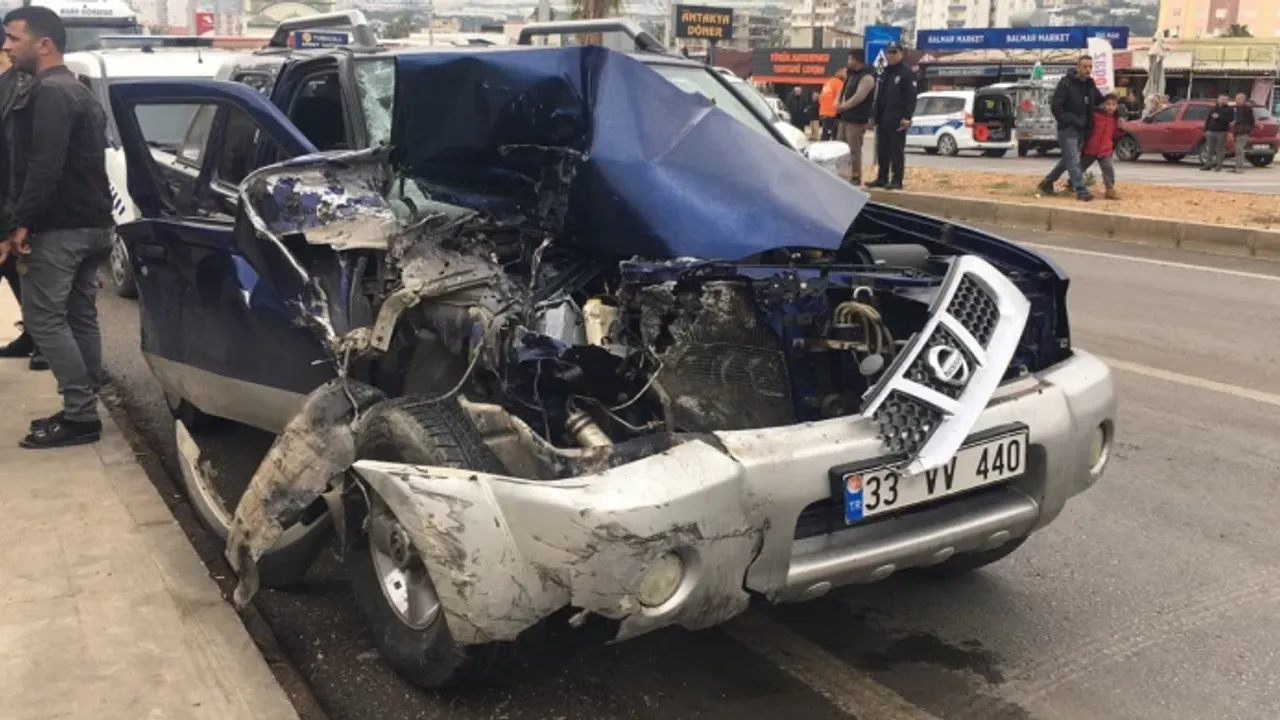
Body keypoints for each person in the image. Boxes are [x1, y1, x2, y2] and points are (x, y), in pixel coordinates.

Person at [1, 6, 114, 448]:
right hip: (92, 225)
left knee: (44, 320)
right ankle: (84, 405)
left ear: (44, 44)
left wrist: (19, 223)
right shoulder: (78, 90)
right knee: (79, 316)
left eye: (14, 38)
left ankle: (80, 414)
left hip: (59, 229)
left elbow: (42, 167)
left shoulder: (48, 93)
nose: (7, 47)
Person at [0, 45, 41, 370]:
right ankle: (34, 334)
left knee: (26, 268)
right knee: (13, 269)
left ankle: (40, 338)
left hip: (15, 194)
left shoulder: (23, 84)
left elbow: (21, 154)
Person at [1036, 55, 1104, 202]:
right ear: (1078, 67)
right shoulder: (1066, 83)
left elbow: (1100, 101)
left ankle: (1047, 183)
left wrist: (1115, 104)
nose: (1088, 70)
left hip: (1083, 129)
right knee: (1073, 159)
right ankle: (1080, 189)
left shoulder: (1090, 85)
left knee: (1068, 159)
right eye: (1085, 67)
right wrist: (1069, 121)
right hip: (1068, 129)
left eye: (1090, 67)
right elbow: (1056, 106)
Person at [868, 42, 916, 191]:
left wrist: (907, 116)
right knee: (882, 150)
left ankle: (897, 180)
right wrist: (874, 116)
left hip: (898, 119)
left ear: (901, 54)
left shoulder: (906, 73)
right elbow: (879, 97)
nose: (891, 55)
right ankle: (882, 178)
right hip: (883, 118)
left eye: (894, 52)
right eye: (889, 52)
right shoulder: (885, 73)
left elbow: (911, 97)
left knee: (896, 151)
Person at [836, 50, 876, 186]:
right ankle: (843, 173)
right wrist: (838, 102)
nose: (848, 62)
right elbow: (843, 92)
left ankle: (856, 175)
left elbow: (859, 97)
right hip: (844, 117)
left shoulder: (867, 77)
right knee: (841, 148)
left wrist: (844, 106)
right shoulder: (851, 75)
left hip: (857, 119)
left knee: (854, 149)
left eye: (850, 59)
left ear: (856, 60)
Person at [1076, 93, 1124, 200]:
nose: (1110, 107)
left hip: (1105, 150)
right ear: (1103, 104)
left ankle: (1110, 189)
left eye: (1113, 105)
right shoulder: (1095, 116)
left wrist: (1121, 130)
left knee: (1108, 170)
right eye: (1108, 104)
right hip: (1090, 148)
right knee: (1081, 167)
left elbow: (1115, 134)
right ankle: (1073, 184)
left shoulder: (1116, 120)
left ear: (1116, 106)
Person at [1201, 94, 1233, 172]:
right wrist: (1206, 130)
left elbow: (1230, 119)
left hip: (1221, 132)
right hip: (1211, 131)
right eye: (1221, 99)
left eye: (1224, 99)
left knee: (1220, 150)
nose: (1223, 101)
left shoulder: (1229, 109)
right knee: (1210, 149)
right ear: (1218, 99)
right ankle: (1208, 165)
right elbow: (1208, 119)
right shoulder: (1213, 108)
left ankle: (1218, 166)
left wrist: (1219, 117)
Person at [1230, 92, 1255, 174]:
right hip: (1236, 131)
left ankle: (1240, 168)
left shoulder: (1247, 109)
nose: (1236, 100)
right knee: (1237, 150)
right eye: (1236, 99)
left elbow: (1251, 121)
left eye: (1238, 99)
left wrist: (1248, 130)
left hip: (1243, 131)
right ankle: (1237, 166)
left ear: (1243, 99)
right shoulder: (1235, 108)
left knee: (1239, 149)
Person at [818, 68, 844, 141]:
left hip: (823, 112)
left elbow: (820, 98)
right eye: (844, 71)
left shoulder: (828, 82)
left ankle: (823, 145)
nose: (846, 74)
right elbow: (841, 97)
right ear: (839, 72)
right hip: (832, 113)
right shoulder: (839, 83)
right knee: (833, 135)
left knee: (825, 133)